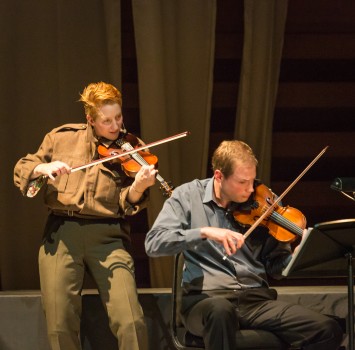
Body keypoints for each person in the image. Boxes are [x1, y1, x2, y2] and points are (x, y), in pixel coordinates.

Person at [145, 140, 343, 350]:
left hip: (255, 301)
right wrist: (205, 232)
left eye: (252, 180)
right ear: (219, 176)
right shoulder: (187, 196)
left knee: (327, 329)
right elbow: (154, 243)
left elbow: (275, 267)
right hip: (206, 301)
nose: (250, 189)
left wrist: (298, 254)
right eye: (242, 182)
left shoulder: (267, 202)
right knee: (221, 311)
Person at [14, 82, 156, 350]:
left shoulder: (131, 147)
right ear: (90, 119)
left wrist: (138, 187)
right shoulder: (61, 137)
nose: (115, 127)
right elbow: (24, 168)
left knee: (131, 322)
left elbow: (128, 203)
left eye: (118, 118)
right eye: (106, 121)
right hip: (63, 233)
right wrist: (44, 167)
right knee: (60, 324)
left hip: (109, 236)